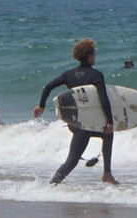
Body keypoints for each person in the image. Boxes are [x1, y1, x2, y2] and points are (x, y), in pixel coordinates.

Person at [33, 37, 117, 185]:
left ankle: (51, 185)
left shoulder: (68, 74)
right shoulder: (96, 75)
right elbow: (104, 99)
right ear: (89, 55)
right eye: (94, 54)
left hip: (75, 123)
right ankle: (106, 174)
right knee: (107, 135)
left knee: (72, 161)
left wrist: (41, 106)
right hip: (86, 124)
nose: (95, 56)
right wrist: (109, 121)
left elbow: (48, 86)